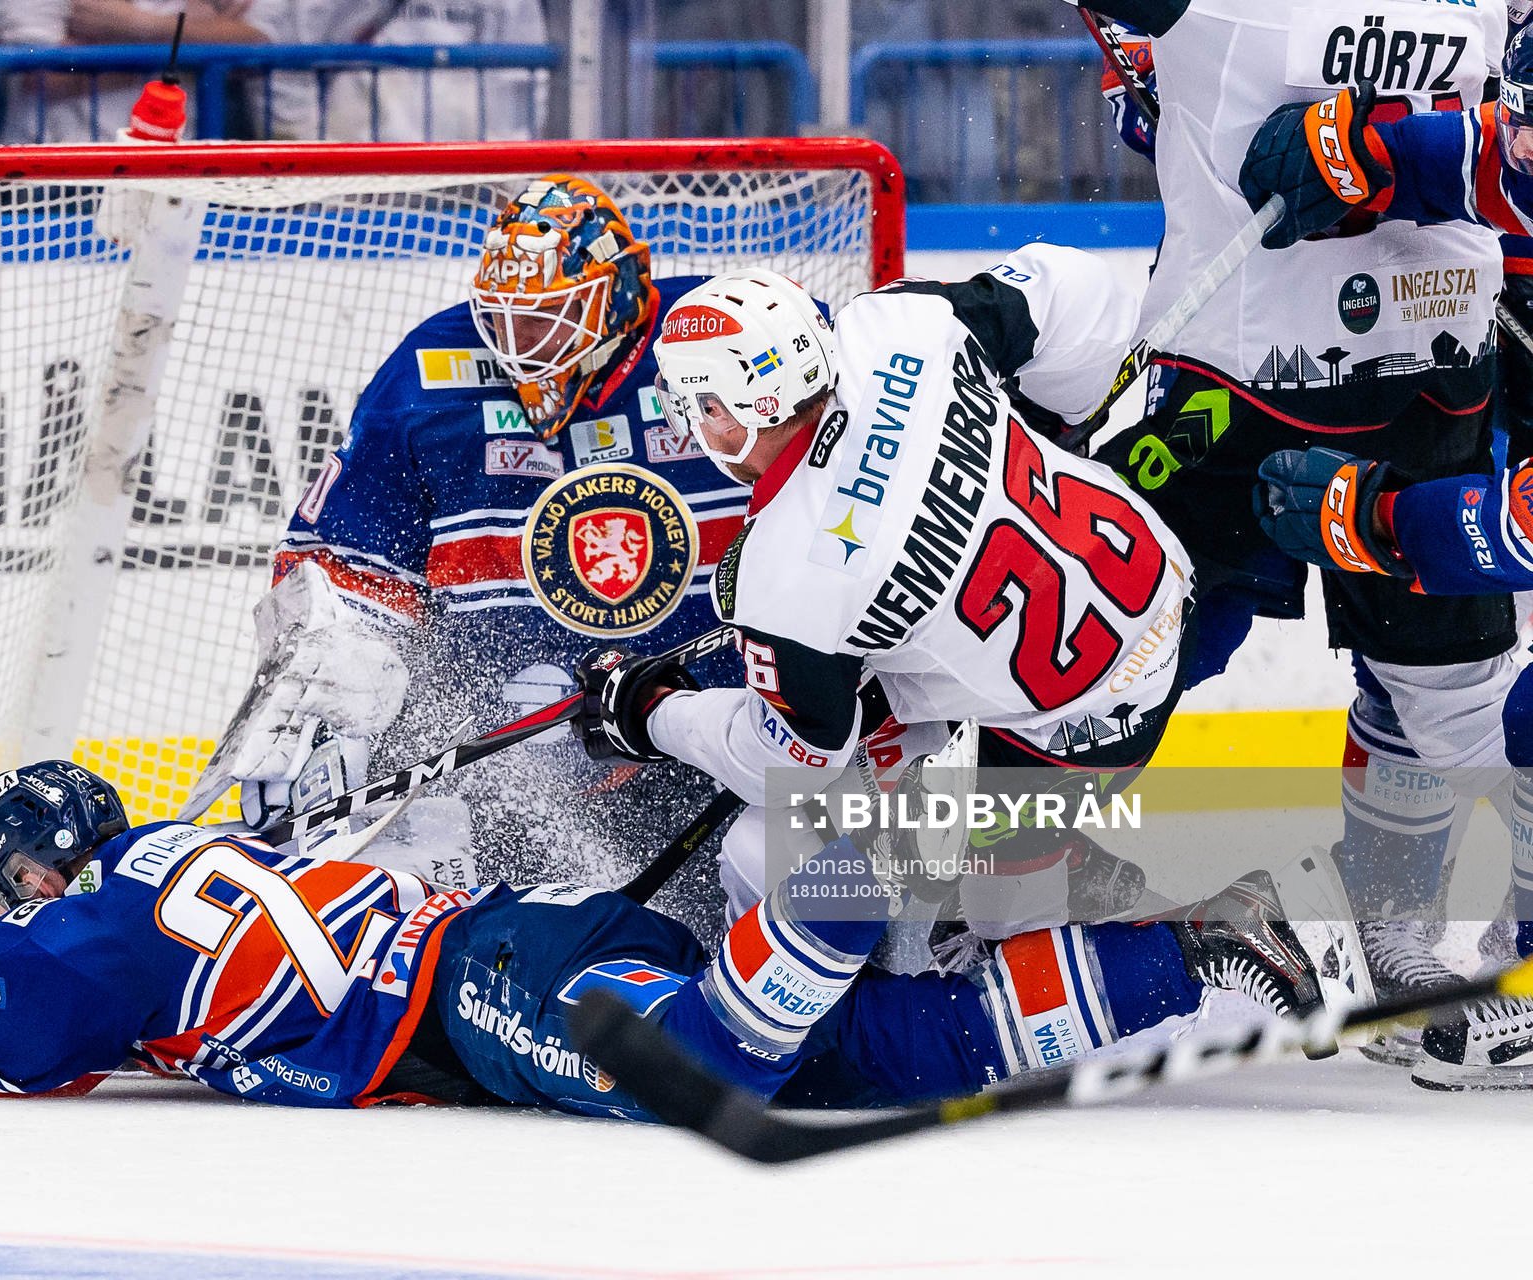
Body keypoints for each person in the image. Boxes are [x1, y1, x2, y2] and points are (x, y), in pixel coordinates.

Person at [0, 759, 1362, 1109]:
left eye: (4, 884)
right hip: (512, 944)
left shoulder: (78, 932)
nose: (7, 908)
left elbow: (9, 1045)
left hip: (476, 990)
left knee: (726, 1067)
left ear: (34, 871)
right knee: (863, 1059)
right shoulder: (172, 850)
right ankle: (1208, 945)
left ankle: (849, 858)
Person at [1070, 0, 1520, 1087]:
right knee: (1099, 660)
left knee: (1457, 692)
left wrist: (1386, 151)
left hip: (1433, 373)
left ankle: (1395, 930)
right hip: (1227, 391)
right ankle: (994, 892)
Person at [581, 249, 1196, 946]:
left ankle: (1166, 935)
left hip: (1078, 738)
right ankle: (1059, 876)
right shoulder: (899, 326)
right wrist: (1056, 417)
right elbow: (1074, 283)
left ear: (741, 412)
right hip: (1162, 584)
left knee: (773, 860)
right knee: (884, 728)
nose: (691, 423)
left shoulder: (780, 576)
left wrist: (650, 713)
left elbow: (784, 765)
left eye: (696, 404)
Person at [240, 175, 757, 930]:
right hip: (507, 766)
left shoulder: (716, 338)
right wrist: (331, 705)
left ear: (621, 291)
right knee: (484, 967)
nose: (524, 348)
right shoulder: (425, 374)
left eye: (551, 321)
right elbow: (343, 567)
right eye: (508, 322)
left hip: (726, 746)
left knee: (805, 904)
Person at [247, 0, 547, 142]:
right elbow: (287, 60)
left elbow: (522, 81)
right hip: (356, 179)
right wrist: (311, 154)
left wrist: (506, 176)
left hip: (469, 181)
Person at [0, 0, 268, 143]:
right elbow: (44, 76)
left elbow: (253, 50)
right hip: (59, 174)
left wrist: (139, 26)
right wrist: (183, 53)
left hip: (168, 174)